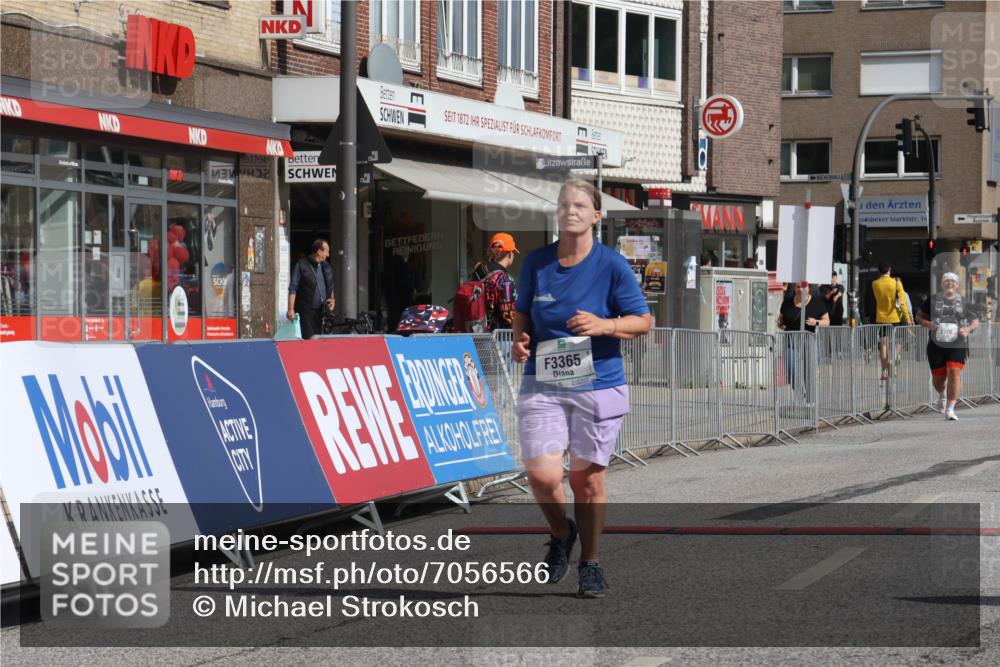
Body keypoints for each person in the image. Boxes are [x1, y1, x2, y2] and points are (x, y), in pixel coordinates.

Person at [512, 178, 652, 598]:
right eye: (563, 204)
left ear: (596, 215)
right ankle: (562, 532)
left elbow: (642, 321)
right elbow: (522, 314)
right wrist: (520, 340)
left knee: (586, 483)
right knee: (541, 474)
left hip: (599, 382)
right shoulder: (536, 263)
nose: (570, 210)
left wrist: (604, 324)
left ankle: (591, 563)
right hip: (543, 381)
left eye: (579, 204)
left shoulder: (611, 265)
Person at [915, 272, 981, 421]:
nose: (950, 283)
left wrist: (968, 329)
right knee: (938, 380)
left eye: (953, 281)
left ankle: (950, 409)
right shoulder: (932, 300)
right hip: (936, 345)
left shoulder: (964, 302)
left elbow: (975, 320)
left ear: (957, 285)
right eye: (947, 281)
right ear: (942, 284)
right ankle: (943, 393)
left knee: (953, 372)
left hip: (957, 343)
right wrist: (928, 324)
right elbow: (919, 316)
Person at [870, 260, 912, 381]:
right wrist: (908, 318)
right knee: (899, 341)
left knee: (883, 343)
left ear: (879, 271)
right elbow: (903, 303)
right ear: (890, 270)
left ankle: (883, 371)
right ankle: (892, 361)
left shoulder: (875, 284)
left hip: (881, 317)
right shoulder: (897, 283)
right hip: (895, 317)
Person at [287, 239, 335, 340]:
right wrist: (291, 309)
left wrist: (333, 298)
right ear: (319, 251)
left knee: (322, 341)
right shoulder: (301, 265)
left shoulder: (326, 267)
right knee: (310, 339)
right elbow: (293, 287)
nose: (328, 255)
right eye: (326, 251)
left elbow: (330, 284)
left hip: (322, 312)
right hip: (306, 312)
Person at [470, 232, 519, 331]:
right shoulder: (505, 280)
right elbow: (508, 317)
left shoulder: (478, 272)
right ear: (509, 254)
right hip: (499, 338)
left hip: (477, 334)